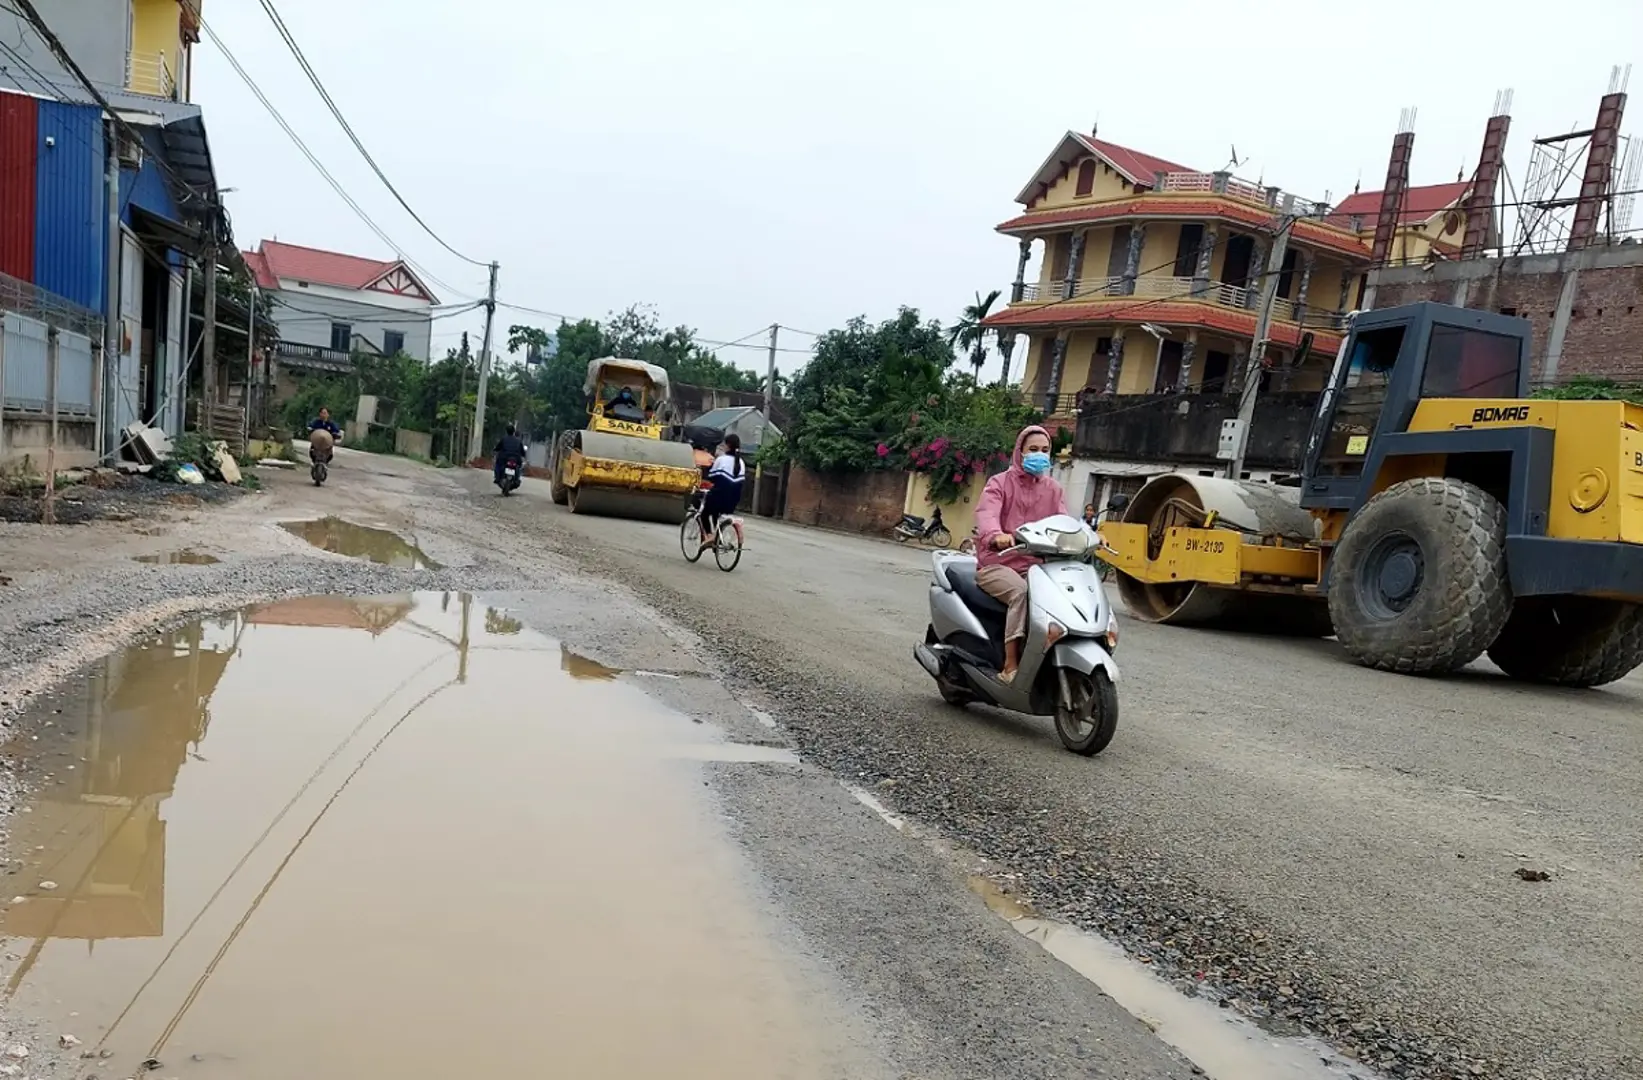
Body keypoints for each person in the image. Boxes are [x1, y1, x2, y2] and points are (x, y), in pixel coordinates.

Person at [973, 424, 1069, 683]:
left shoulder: (1053, 489)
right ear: (1020, 452)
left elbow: (1064, 522)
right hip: (997, 564)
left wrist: (1090, 535)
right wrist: (995, 536)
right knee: (1022, 594)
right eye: (1033, 449)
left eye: (1045, 450)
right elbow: (987, 513)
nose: (1040, 455)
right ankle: (1010, 664)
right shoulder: (999, 483)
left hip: (1034, 566)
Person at [700, 433, 745, 548]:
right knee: (719, 514)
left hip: (719, 497)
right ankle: (718, 536)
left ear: (728, 445)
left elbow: (712, 477)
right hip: (734, 500)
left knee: (704, 513)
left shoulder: (721, 460)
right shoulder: (741, 463)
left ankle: (709, 536)